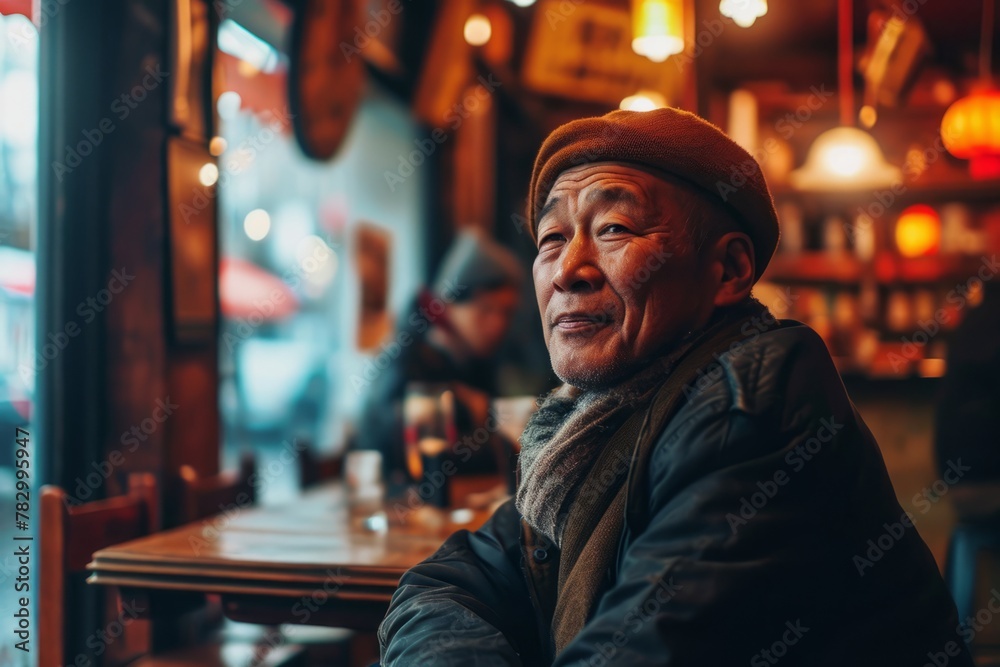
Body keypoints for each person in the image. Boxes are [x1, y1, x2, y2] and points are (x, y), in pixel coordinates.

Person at [377, 108, 973, 666]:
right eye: (552, 239)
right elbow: (444, 585)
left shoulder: (758, 403)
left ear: (728, 271)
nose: (568, 270)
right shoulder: (583, 429)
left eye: (614, 228)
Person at [354, 229, 523, 491]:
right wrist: (466, 409)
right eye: (486, 309)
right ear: (448, 305)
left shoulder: (476, 362)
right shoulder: (410, 358)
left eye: (507, 312)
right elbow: (408, 453)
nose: (498, 324)